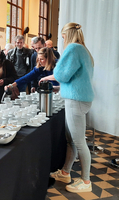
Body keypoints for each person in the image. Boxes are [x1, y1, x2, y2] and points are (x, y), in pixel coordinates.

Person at [40, 23, 94, 193]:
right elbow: (76, 79)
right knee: (71, 139)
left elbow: (62, 75)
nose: (62, 41)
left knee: (78, 141)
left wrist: (48, 77)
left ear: (67, 35)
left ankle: (86, 182)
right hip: (78, 98)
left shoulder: (73, 49)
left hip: (76, 101)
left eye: (62, 37)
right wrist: (58, 88)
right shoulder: (84, 50)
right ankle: (65, 172)